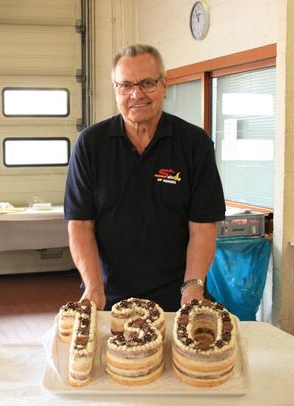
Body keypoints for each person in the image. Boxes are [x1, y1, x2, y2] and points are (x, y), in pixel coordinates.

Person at [64, 44, 226, 312]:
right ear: (115, 89)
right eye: (126, 85)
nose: (136, 94)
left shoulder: (194, 143)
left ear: (164, 84)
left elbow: (202, 227)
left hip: (178, 296)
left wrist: (193, 286)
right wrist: (93, 287)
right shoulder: (90, 144)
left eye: (147, 83)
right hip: (107, 295)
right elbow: (80, 224)